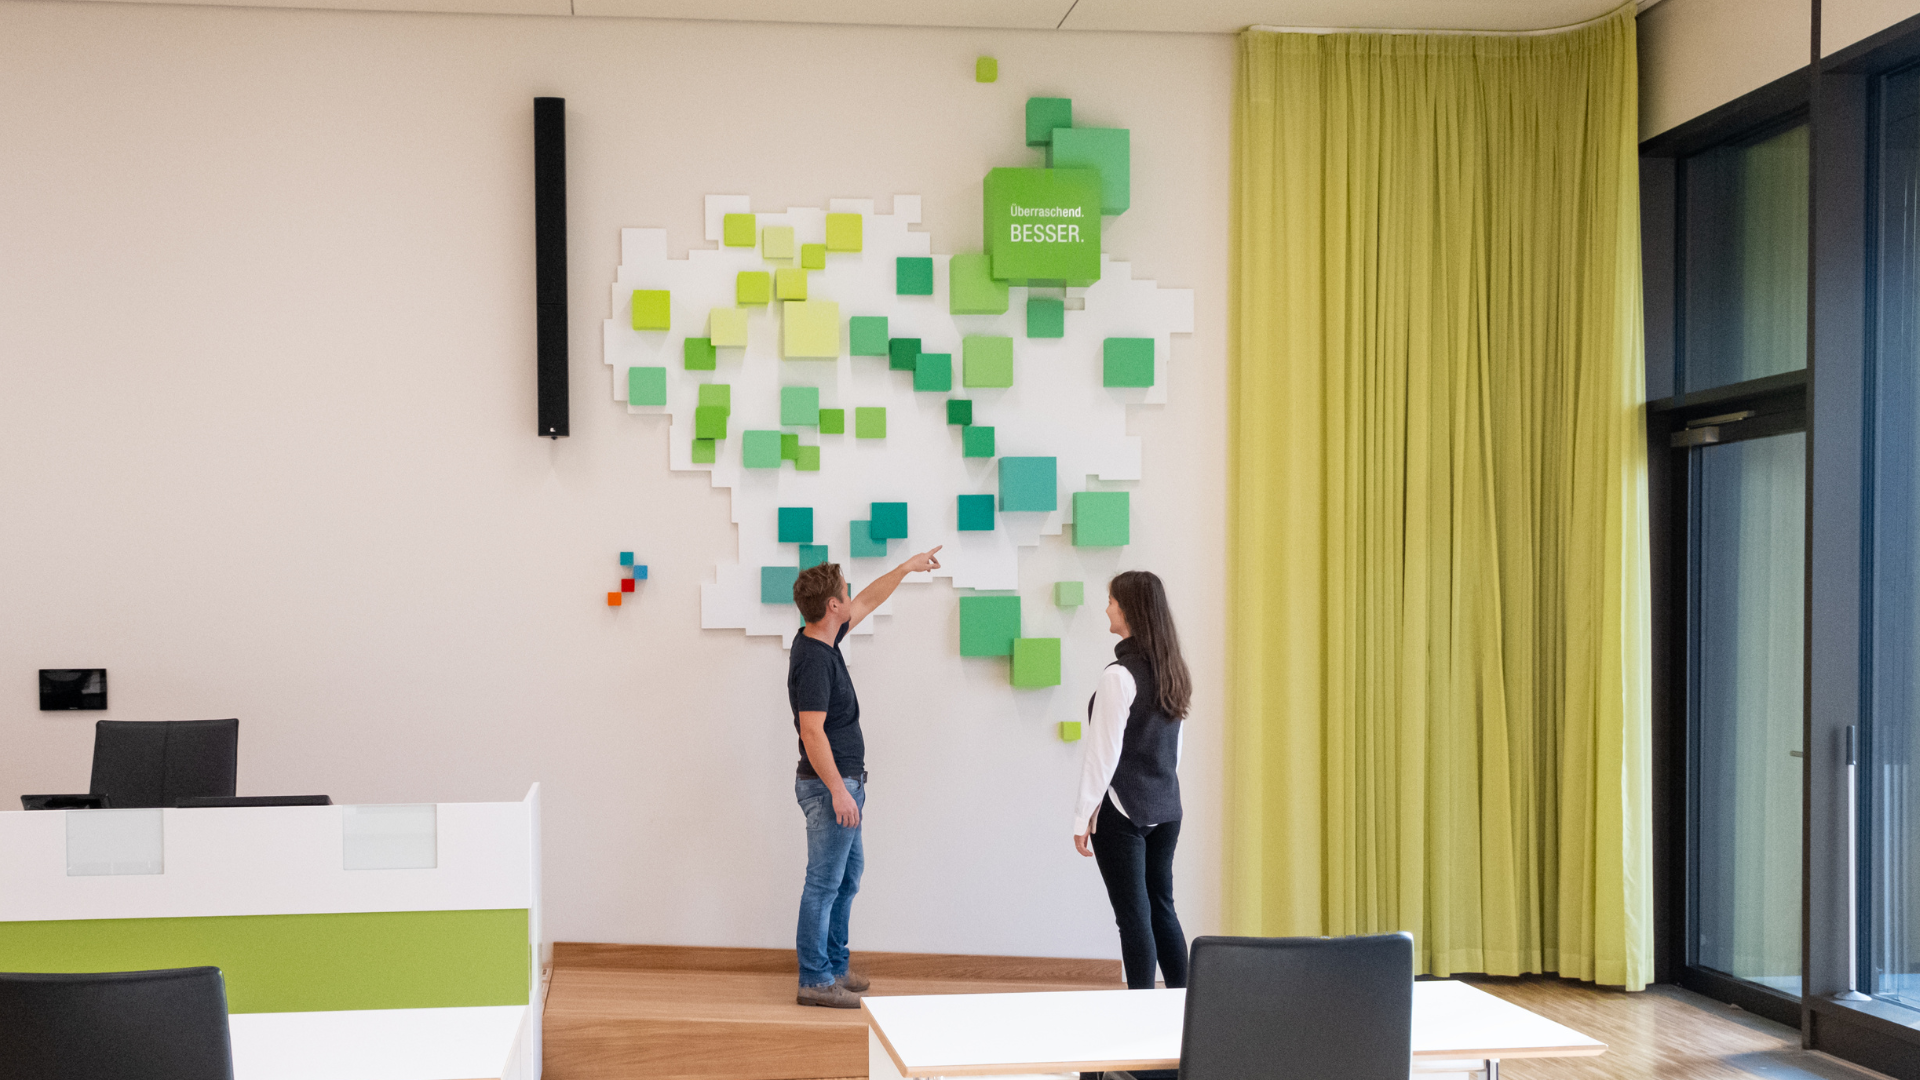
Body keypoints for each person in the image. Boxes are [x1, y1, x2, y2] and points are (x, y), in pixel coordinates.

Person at [788, 548, 941, 1008]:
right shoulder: (815, 659)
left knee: (846, 878)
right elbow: (811, 731)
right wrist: (838, 790)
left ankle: (834, 966)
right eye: (844, 592)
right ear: (832, 605)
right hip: (829, 788)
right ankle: (815, 980)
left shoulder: (824, 638)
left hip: (844, 785)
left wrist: (906, 568)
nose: (851, 596)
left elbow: (870, 599)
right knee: (823, 884)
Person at [1071, 570, 1194, 991]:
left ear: (1129, 610)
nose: (1107, 608)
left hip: (1122, 812)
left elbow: (1102, 755)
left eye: (1112, 601)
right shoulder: (1173, 670)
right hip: (1166, 808)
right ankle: (1186, 1009)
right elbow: (1174, 750)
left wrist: (1083, 817)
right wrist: (1161, 791)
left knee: (1134, 918)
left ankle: (1139, 1015)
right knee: (1162, 909)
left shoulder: (1118, 676)